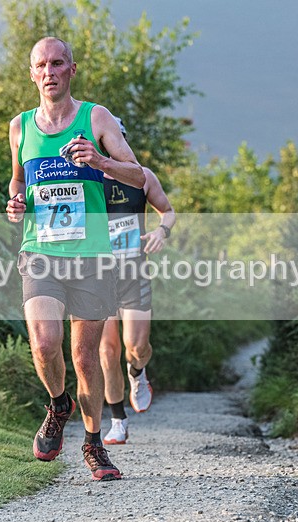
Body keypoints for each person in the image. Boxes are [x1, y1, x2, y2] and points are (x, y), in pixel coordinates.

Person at [5, 36, 145, 481]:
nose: (49, 71)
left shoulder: (95, 117)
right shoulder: (19, 127)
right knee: (45, 345)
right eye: (41, 65)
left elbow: (138, 175)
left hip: (91, 256)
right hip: (41, 252)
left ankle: (93, 442)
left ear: (72, 69)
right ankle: (58, 404)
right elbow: (16, 184)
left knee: (85, 358)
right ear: (32, 74)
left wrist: (100, 162)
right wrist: (15, 203)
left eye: (57, 63)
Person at [99, 116, 176, 445]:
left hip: (134, 271)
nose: (113, 148)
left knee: (136, 346)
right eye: (107, 143)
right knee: (107, 349)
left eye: (119, 142)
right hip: (97, 273)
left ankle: (137, 371)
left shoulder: (142, 178)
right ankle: (118, 420)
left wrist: (162, 231)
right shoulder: (87, 179)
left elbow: (168, 211)